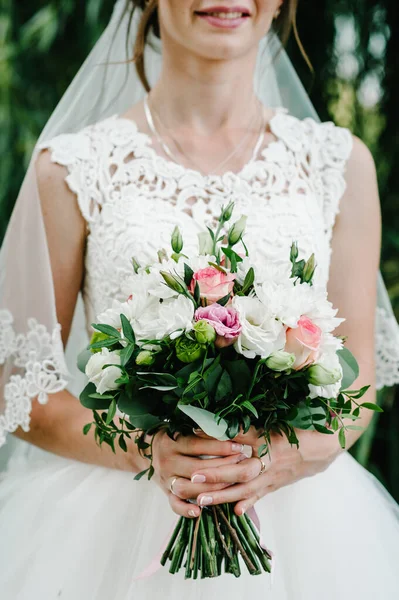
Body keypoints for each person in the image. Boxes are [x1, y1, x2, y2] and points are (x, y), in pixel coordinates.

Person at [0, 1, 398, 598]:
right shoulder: (71, 169)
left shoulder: (339, 165)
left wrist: (277, 458)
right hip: (106, 532)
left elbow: (357, 382)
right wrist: (151, 449)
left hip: (308, 531)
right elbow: (18, 387)